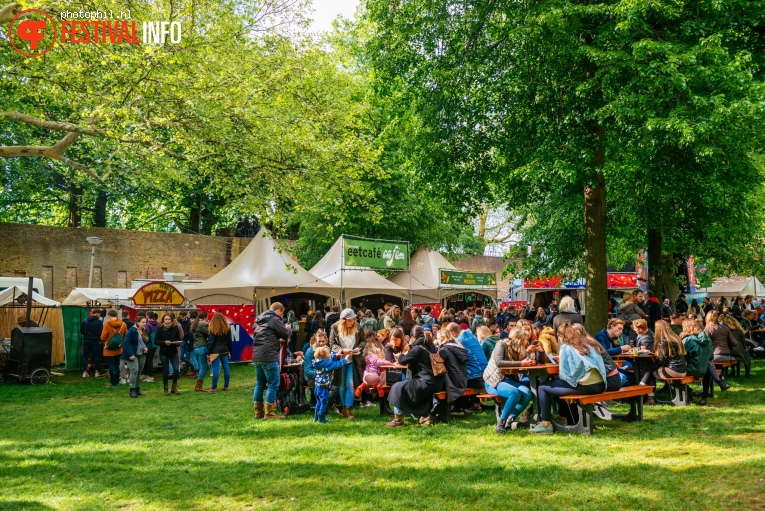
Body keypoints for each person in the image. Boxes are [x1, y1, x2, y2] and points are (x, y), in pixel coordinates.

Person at [530, 322, 606, 434]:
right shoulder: (587, 344)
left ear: (561, 336)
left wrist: (562, 364)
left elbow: (565, 375)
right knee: (559, 386)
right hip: (600, 385)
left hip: (586, 386)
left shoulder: (566, 347)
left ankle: (546, 424)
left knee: (543, 387)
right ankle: (569, 418)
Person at [386, 325, 444, 427]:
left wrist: (399, 355)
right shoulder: (431, 346)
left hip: (426, 382)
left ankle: (398, 420)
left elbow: (402, 361)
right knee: (413, 388)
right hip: (437, 382)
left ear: (413, 337)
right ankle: (424, 417)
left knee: (397, 387)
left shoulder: (418, 348)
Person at [483, 327, 535, 433]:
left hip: (508, 380)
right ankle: (501, 423)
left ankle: (510, 419)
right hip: (493, 381)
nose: (527, 342)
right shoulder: (501, 344)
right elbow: (499, 362)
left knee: (527, 393)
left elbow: (526, 359)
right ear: (519, 340)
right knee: (514, 393)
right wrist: (521, 363)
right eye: (526, 340)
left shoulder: (518, 349)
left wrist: (532, 355)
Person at [252, 302, 291, 420]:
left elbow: (264, 335)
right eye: (282, 313)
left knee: (259, 384)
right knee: (273, 383)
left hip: (257, 355)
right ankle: (269, 413)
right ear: (278, 310)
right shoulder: (274, 319)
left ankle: (258, 412)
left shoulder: (259, 319)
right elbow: (285, 334)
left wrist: (275, 339)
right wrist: (288, 328)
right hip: (269, 356)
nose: (282, 316)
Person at [329, 308, 366, 420]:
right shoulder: (335, 327)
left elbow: (363, 340)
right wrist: (340, 350)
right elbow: (332, 343)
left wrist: (358, 348)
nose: (353, 322)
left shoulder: (358, 327)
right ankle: (344, 408)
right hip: (341, 359)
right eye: (350, 320)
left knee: (350, 384)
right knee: (342, 384)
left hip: (353, 359)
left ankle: (348, 408)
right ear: (343, 320)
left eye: (354, 319)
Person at [639, 321, 687, 396]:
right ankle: (643, 386)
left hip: (673, 371)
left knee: (651, 369)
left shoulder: (663, 342)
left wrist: (654, 360)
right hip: (682, 371)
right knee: (651, 368)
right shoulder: (676, 338)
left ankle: (647, 393)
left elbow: (661, 362)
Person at [572, 324, 623, 392]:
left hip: (609, 380)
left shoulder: (586, 344)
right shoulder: (590, 341)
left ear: (578, 333)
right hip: (613, 379)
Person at [312, 346, 352, 424]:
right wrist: (345, 359)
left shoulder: (317, 362)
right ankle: (322, 418)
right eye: (328, 353)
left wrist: (337, 355)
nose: (330, 354)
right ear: (324, 355)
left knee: (318, 402)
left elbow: (329, 360)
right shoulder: (327, 363)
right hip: (323, 387)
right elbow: (336, 365)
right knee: (324, 402)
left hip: (317, 386)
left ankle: (315, 417)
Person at [680, 319, 714, 405]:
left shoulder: (687, 340)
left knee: (673, 371)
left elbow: (681, 357)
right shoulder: (707, 340)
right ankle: (704, 397)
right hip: (704, 370)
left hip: (691, 369)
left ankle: (689, 391)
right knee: (707, 366)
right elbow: (711, 356)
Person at [435, 327, 468, 417]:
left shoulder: (444, 350)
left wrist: (436, 348)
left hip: (451, 382)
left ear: (443, 338)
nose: (437, 340)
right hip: (462, 380)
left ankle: (434, 411)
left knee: (431, 384)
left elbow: (437, 367)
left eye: (438, 338)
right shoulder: (458, 347)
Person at [447, 322, 488, 391]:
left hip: (474, 378)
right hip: (485, 375)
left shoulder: (458, 341)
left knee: (452, 383)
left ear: (453, 333)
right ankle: (474, 401)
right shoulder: (472, 336)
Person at [154, 313, 182, 395]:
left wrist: (177, 343)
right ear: (163, 320)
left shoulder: (175, 328)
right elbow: (156, 341)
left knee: (176, 369)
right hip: (164, 352)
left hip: (173, 351)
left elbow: (178, 338)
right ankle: (165, 388)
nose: (167, 321)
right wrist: (164, 342)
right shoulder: (160, 329)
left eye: (169, 319)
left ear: (172, 320)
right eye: (166, 319)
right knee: (165, 371)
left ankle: (174, 387)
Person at [205, 312, 233, 393]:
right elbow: (230, 341)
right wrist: (230, 351)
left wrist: (208, 352)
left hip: (215, 351)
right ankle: (226, 386)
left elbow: (211, 342)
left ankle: (214, 387)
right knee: (226, 367)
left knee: (215, 369)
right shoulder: (227, 328)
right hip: (225, 350)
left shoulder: (213, 328)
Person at [122, 316, 149, 398]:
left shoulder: (145, 331)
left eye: (145, 322)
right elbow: (127, 343)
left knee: (139, 372)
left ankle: (137, 389)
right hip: (132, 354)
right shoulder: (131, 331)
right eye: (143, 322)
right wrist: (130, 354)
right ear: (137, 322)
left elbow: (149, 341)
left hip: (142, 353)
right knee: (134, 371)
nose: (144, 324)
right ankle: (132, 390)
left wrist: (147, 348)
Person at [100, 309, 127, 388]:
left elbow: (103, 337)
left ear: (109, 316)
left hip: (109, 348)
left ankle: (113, 383)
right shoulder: (123, 324)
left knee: (111, 365)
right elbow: (126, 335)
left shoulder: (107, 324)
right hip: (119, 348)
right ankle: (117, 381)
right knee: (117, 364)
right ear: (116, 315)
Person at [81, 308, 103, 378]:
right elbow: (100, 332)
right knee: (96, 356)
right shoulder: (99, 322)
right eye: (99, 314)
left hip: (86, 340)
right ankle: (97, 372)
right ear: (96, 313)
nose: (100, 316)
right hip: (95, 340)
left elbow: (81, 330)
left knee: (85, 356)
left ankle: (84, 372)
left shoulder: (85, 321)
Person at [190, 312, 209, 391]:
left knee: (204, 366)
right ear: (205, 317)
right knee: (203, 367)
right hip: (201, 347)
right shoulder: (202, 324)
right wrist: (208, 325)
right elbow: (208, 333)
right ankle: (198, 386)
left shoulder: (195, 324)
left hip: (196, 348)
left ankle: (199, 384)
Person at [142, 312, 161, 383]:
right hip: (155, 344)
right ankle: (145, 374)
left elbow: (146, 336)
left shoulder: (147, 325)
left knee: (148, 360)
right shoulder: (158, 324)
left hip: (149, 344)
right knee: (149, 359)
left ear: (147, 316)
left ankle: (150, 376)